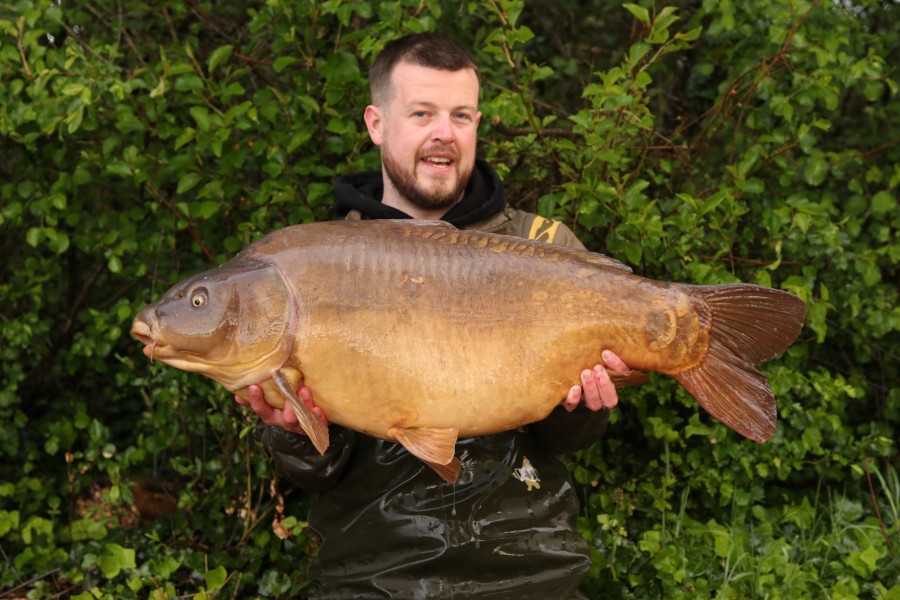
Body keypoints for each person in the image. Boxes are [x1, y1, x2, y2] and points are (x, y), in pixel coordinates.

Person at [235, 33, 633, 599]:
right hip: (373, 578)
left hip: (530, 571)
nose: (444, 132)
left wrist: (583, 408)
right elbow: (318, 475)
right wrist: (296, 434)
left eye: (461, 115)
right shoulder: (318, 262)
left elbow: (568, 440)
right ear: (376, 123)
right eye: (422, 113)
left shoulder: (545, 248)